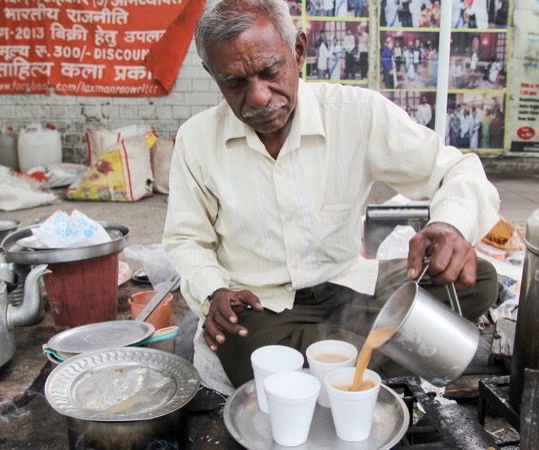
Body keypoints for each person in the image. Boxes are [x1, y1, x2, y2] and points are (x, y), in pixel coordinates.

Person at [164, 0, 501, 394]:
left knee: (479, 281)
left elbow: (454, 168)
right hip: (262, 305)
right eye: (234, 82)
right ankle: (384, 350)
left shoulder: (355, 113)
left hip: (350, 284)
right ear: (212, 75)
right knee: (243, 347)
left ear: (300, 51)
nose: (257, 97)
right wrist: (213, 291)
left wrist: (449, 225)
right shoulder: (197, 140)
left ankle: (324, 364)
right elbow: (187, 239)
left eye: (270, 71)